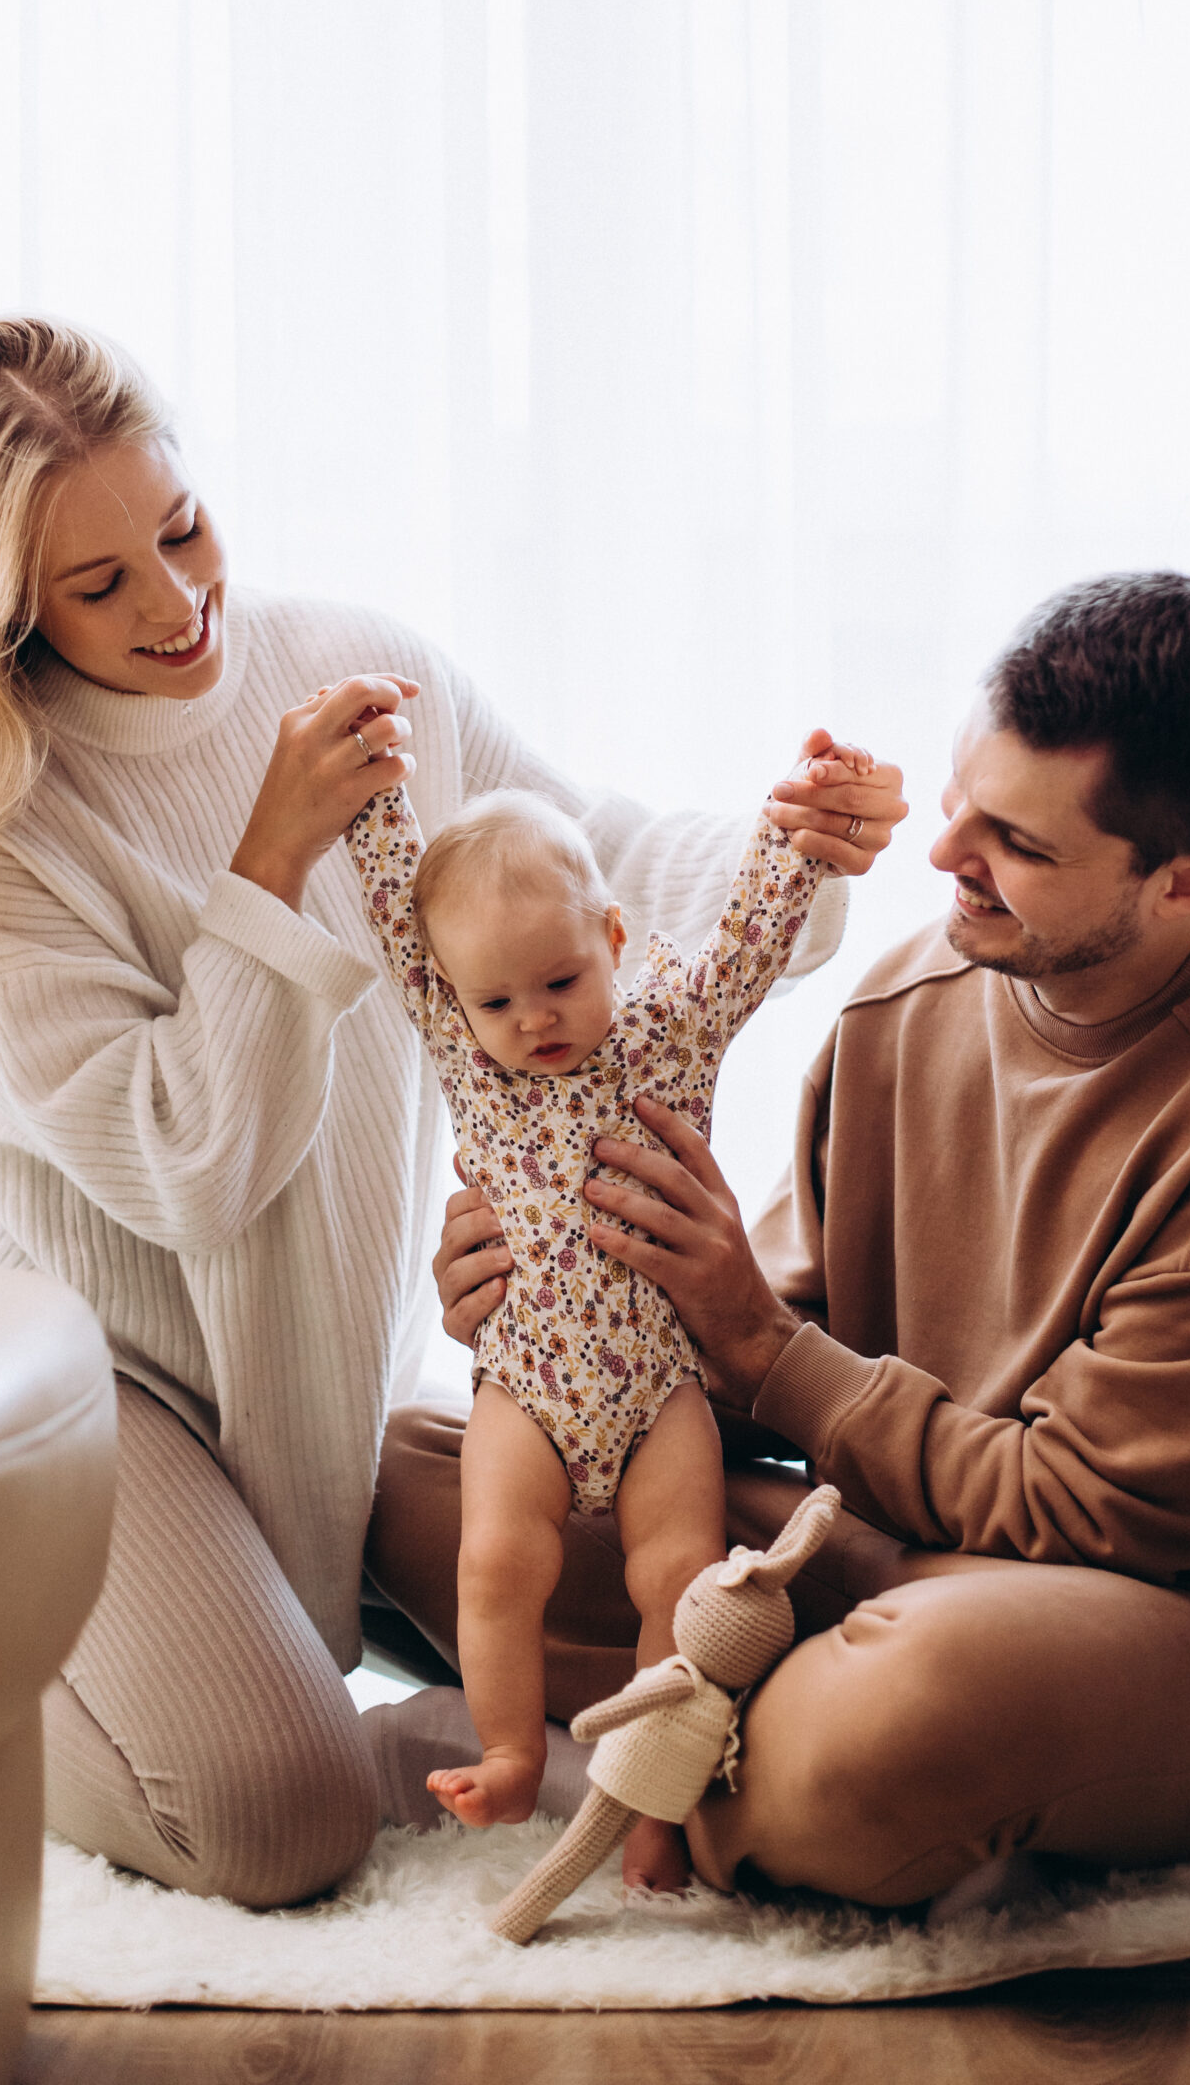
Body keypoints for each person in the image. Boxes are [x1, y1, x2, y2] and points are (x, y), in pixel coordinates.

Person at [0, 315, 903, 1907]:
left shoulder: (349, 666)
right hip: (74, 1377)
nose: (176, 602)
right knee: (279, 1821)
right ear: (5, 609)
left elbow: (584, 870)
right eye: (100, 584)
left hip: (307, 1371)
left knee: (705, 1595)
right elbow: (190, 1171)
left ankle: (311, 1653)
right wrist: (265, 863)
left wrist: (789, 846)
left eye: (182, 527)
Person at [368, 573, 1190, 1907]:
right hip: (875, 1541)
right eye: (961, 792)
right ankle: (695, 1736)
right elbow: (770, 1345)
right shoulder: (913, 993)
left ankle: (696, 1756)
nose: (944, 848)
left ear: (1187, 880)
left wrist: (751, 1338)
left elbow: (1088, 1510)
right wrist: (561, 1305)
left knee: (893, 1718)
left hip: (1170, 1616)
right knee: (404, 1476)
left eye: (1014, 841)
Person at [343, 757, 860, 1885]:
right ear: (454, 995)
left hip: (659, 1389)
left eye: (561, 981)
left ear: (615, 938)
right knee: (497, 1562)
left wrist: (795, 837)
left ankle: (651, 1804)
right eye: (496, 1001)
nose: (532, 1019)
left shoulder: (670, 1030)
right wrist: (372, 792)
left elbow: (750, 942)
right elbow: (394, 906)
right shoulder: (465, 1050)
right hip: (522, 1390)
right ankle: (512, 1754)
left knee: (679, 1576)